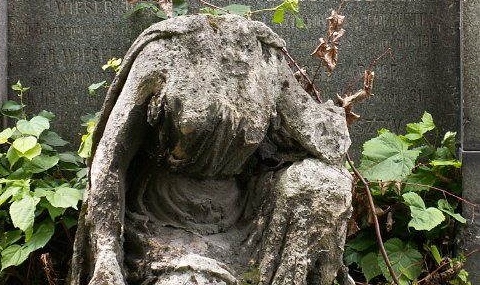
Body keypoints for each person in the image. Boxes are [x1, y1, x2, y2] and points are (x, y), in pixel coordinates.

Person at [70, 14, 352, 285]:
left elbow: (320, 135)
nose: (236, 58)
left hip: (240, 217)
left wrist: (335, 128)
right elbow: (111, 160)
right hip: (162, 219)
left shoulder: (266, 60)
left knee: (326, 184)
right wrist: (106, 253)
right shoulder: (163, 54)